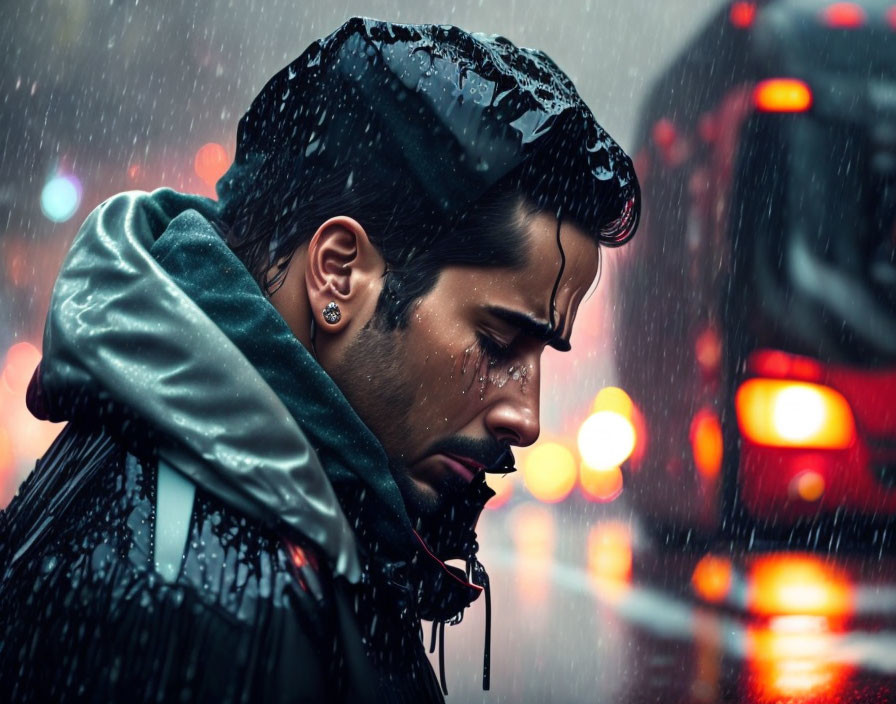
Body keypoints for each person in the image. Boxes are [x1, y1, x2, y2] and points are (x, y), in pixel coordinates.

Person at [0, 17, 639, 704]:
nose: (527, 417)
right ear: (338, 275)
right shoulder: (214, 606)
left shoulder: (247, 530)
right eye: (498, 342)